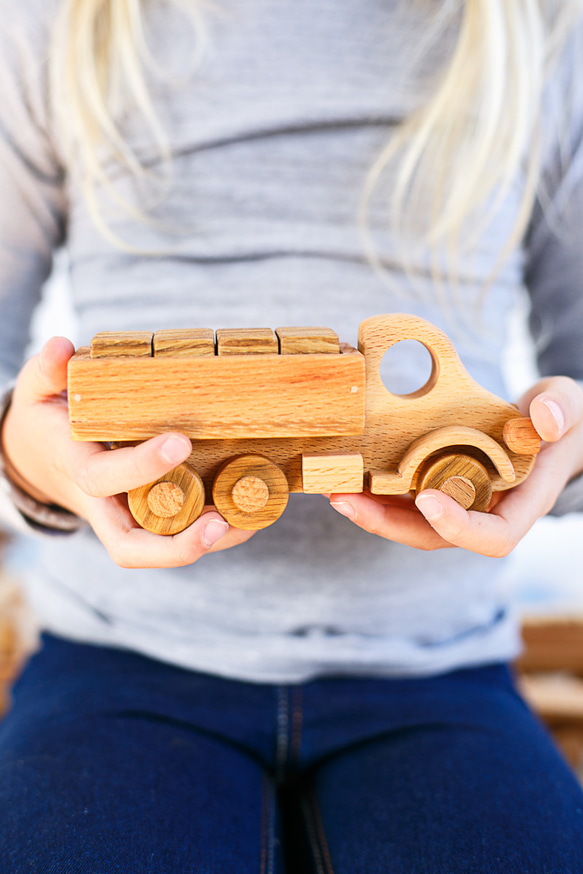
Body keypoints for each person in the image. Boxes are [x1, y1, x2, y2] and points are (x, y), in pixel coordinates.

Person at [1, 0, 583, 870]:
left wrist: (556, 446)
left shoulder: (541, 30)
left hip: (434, 667)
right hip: (123, 654)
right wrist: (30, 454)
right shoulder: (57, 24)